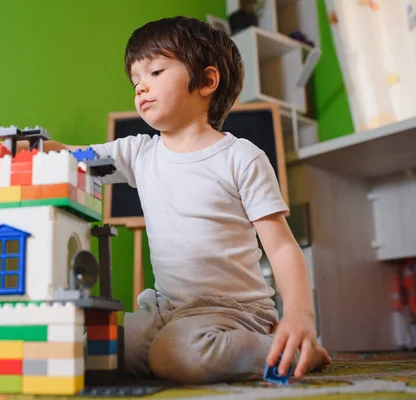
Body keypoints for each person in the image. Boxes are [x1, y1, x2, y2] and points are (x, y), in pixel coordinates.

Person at [19, 15, 331, 384]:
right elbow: (75, 156)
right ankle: (175, 352)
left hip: (234, 312)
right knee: (85, 355)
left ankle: (288, 351)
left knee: (177, 355)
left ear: (206, 81)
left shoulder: (242, 158)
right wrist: (24, 148)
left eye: (154, 72)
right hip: (163, 310)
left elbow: (280, 247)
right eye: (135, 80)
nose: (139, 88)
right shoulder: (138, 153)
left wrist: (299, 315)